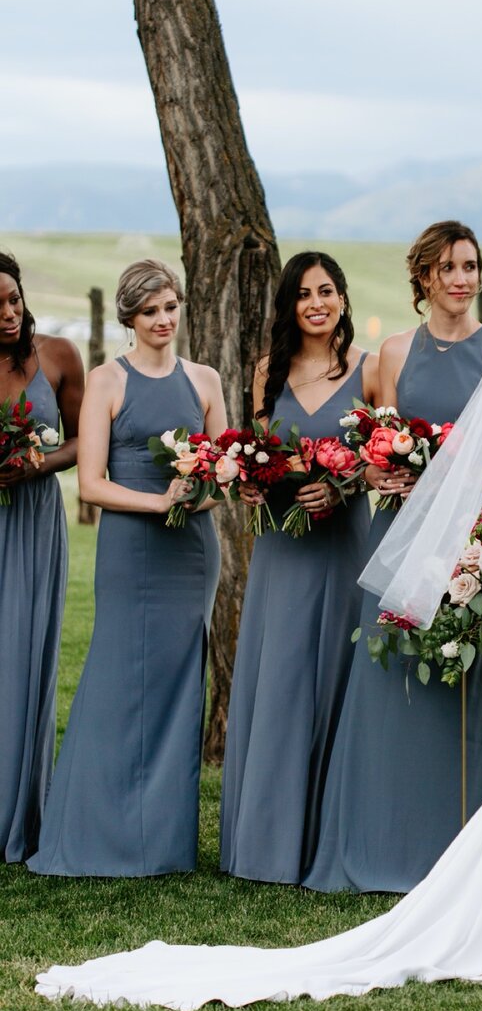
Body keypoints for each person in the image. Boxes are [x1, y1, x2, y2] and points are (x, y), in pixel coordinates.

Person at [34, 230, 482, 1008]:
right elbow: (388, 454)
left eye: (471, 266)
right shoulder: (462, 367)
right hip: (447, 543)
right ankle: (425, 860)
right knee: (458, 709)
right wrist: (398, 473)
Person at [302, 221, 482, 894]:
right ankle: (382, 840)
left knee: (465, 691)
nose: (462, 279)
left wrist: (462, 477)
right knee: (390, 684)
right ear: (422, 278)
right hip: (400, 534)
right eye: (448, 267)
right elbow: (376, 447)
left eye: (471, 266)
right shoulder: (391, 353)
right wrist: (378, 474)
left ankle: (460, 853)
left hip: (477, 536)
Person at [29, 260, 226, 878]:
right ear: (129, 320)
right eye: (150, 312)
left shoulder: (206, 380)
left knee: (177, 687)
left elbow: (226, 472)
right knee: (117, 684)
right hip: (130, 549)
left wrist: (199, 492)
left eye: (170, 307)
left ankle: (163, 844)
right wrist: (158, 500)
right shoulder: (107, 383)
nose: (163, 320)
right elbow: (90, 484)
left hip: (192, 550)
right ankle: (96, 831)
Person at [219, 252, 377, 884]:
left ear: (342, 298)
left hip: (344, 542)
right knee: (281, 679)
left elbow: (381, 457)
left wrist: (343, 488)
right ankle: (268, 843)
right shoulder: (268, 370)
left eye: (328, 291)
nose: (317, 302)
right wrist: (252, 486)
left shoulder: (370, 370)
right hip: (283, 548)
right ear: (289, 305)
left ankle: (332, 839)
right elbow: (258, 451)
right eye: (304, 293)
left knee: (340, 675)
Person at [0, 250, 84, 862]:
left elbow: (83, 440)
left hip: (32, 520)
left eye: (13, 299)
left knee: (24, 657)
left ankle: (20, 810)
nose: (8, 314)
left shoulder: (57, 356)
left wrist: (33, 461)